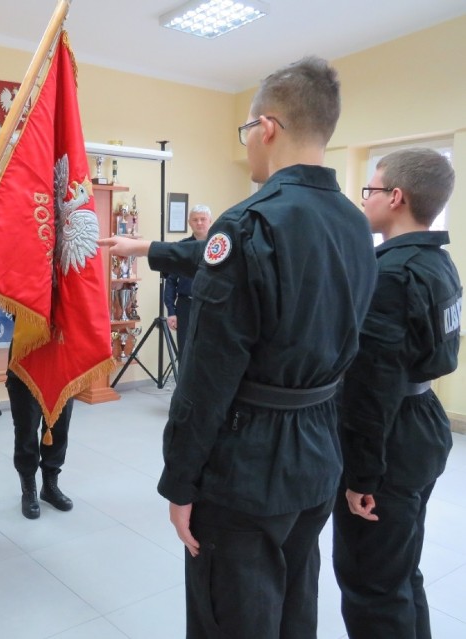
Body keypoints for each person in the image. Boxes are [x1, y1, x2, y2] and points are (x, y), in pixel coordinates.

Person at [99, 56, 378, 638]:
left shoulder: (248, 223)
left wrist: (180, 481)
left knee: (231, 616)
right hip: (319, 451)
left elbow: (208, 373)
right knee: (296, 602)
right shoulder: (355, 222)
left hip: (248, 464)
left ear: (267, 127)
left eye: (246, 131)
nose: (248, 144)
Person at [333, 148, 460, 639]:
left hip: (391, 439)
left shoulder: (389, 275)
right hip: (424, 421)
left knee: (372, 586)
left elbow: (371, 388)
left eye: (371, 190)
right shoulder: (437, 261)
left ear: (397, 197)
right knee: (401, 570)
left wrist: (362, 476)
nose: (365, 200)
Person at [7, 366, 74, 519]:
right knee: (27, 429)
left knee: (59, 428)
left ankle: (50, 485)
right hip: (27, 365)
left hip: (61, 366)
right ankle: (29, 489)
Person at [163, 204, 211, 360]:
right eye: (195, 219)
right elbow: (171, 281)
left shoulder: (218, 246)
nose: (199, 223)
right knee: (185, 351)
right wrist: (171, 311)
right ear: (189, 223)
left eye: (203, 219)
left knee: (208, 351)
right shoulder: (182, 247)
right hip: (185, 306)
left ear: (210, 221)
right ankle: (185, 384)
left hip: (211, 305)